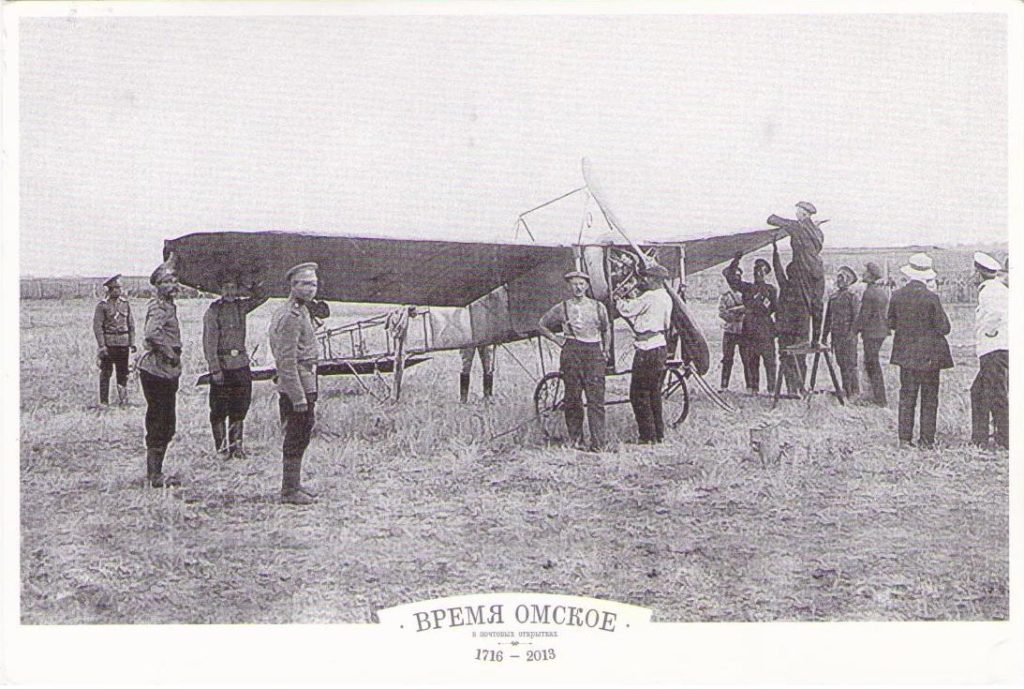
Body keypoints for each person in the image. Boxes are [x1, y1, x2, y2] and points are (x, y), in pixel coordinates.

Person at [537, 270, 611, 451]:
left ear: (586, 286)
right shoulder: (562, 307)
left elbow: (606, 329)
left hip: (593, 352)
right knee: (573, 398)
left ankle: (598, 444)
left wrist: (606, 349)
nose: (577, 288)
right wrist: (557, 339)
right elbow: (542, 325)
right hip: (572, 351)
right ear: (569, 287)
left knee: (596, 400)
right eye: (573, 284)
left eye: (581, 284)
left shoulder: (598, 306)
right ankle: (576, 440)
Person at [887, 253, 954, 449]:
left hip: (906, 355)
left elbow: (890, 322)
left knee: (906, 397)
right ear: (927, 276)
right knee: (929, 398)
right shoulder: (932, 298)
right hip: (929, 357)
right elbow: (944, 328)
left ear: (909, 273)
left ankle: (904, 439)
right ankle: (926, 440)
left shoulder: (897, 295)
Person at [269, 262, 322, 505]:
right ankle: (289, 491)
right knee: (297, 434)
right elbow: (286, 361)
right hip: (298, 383)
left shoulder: (299, 311)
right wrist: (298, 396)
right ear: (293, 285)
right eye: (306, 283)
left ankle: (294, 484)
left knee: (302, 433)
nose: (312, 288)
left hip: (305, 379)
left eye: (314, 283)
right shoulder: (291, 316)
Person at [202, 277, 268, 458]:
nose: (230, 292)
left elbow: (262, 297)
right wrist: (215, 369)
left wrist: (251, 283)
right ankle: (223, 449)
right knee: (219, 408)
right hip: (223, 366)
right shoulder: (214, 311)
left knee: (240, 406)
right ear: (220, 290)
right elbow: (209, 343)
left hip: (240, 365)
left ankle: (237, 447)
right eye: (226, 288)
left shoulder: (241, 307)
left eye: (233, 287)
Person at [615, 263, 674, 444]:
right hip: (659, 345)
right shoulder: (665, 297)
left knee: (638, 394)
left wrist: (618, 298)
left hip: (647, 348)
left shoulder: (649, 296)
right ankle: (658, 434)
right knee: (653, 392)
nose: (645, 280)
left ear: (656, 280)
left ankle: (647, 436)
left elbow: (628, 309)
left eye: (648, 277)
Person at [138, 261, 183, 487]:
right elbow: (151, 334)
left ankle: (157, 472)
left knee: (167, 422)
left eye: (174, 280)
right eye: (166, 282)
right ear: (157, 285)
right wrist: (169, 353)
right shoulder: (159, 307)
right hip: (157, 370)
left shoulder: (168, 305)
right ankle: (154, 475)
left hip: (165, 370)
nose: (172, 285)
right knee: (160, 421)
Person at [767, 201, 825, 344]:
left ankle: (803, 339)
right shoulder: (818, 231)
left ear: (804, 213)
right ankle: (816, 339)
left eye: (798, 211)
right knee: (817, 305)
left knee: (804, 304)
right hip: (817, 271)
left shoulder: (797, 227)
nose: (796, 214)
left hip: (803, 271)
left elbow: (772, 219)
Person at [724, 252, 777, 395]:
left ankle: (772, 389)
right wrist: (736, 259)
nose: (757, 273)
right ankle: (753, 389)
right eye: (755, 270)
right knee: (752, 361)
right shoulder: (748, 288)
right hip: (750, 329)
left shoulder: (771, 290)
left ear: (766, 273)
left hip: (765, 329)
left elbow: (776, 309)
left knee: (770, 361)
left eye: (761, 271)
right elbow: (730, 278)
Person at [970, 252, 1008, 450]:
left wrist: (990, 332)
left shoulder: (989, 291)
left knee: (994, 393)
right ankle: (983, 437)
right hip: (996, 349)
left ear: (979, 272)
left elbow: (995, 314)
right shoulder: (997, 288)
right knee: (983, 392)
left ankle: (1003, 437)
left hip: (994, 349)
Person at [771, 238, 810, 396]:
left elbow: (779, 269)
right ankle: (792, 389)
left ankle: (797, 388)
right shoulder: (789, 286)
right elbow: (778, 269)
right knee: (789, 360)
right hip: (789, 331)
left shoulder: (802, 288)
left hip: (796, 332)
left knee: (797, 360)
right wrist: (775, 252)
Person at [92, 274, 136, 406]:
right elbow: (97, 327)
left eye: (119, 288)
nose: (119, 290)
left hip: (123, 343)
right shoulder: (102, 306)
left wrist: (132, 343)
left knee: (123, 373)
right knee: (106, 373)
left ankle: (123, 401)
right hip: (109, 344)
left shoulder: (125, 304)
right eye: (116, 288)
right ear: (109, 290)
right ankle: (104, 402)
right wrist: (102, 346)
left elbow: (131, 325)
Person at [855, 262, 890, 407]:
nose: (863, 273)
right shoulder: (881, 291)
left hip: (872, 333)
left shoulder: (869, 293)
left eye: (865, 272)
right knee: (872, 363)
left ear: (870, 275)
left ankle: (879, 399)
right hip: (880, 332)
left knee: (872, 364)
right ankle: (876, 397)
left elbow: (864, 316)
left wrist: (853, 331)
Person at [822, 265, 861, 399]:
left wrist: (851, 335)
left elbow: (856, 319)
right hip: (836, 337)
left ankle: (854, 393)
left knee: (851, 365)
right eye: (838, 277)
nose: (839, 280)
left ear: (849, 281)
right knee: (841, 364)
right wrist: (823, 337)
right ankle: (846, 390)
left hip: (848, 337)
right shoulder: (833, 297)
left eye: (842, 278)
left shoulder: (853, 297)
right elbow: (827, 319)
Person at [717, 276, 747, 392]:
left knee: (746, 359)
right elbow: (722, 312)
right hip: (729, 330)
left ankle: (750, 386)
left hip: (743, 330)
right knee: (727, 359)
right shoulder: (725, 296)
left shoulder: (745, 294)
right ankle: (724, 386)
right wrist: (736, 314)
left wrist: (734, 310)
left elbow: (749, 308)